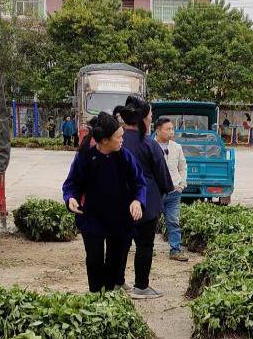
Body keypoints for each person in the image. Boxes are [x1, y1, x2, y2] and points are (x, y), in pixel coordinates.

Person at [62, 112, 147, 293]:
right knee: (94, 259)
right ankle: (94, 293)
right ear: (105, 141)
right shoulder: (85, 157)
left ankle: (108, 294)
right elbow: (72, 184)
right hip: (92, 217)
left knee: (115, 260)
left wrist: (137, 201)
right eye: (119, 137)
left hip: (120, 218)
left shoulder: (125, 157)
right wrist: (71, 198)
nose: (122, 140)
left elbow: (139, 183)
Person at [115, 96, 173, 298]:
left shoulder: (115, 142)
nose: (151, 120)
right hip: (146, 204)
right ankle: (141, 286)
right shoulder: (149, 144)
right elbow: (163, 177)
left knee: (120, 243)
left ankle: (117, 282)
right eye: (150, 117)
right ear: (142, 120)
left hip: (118, 202)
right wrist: (164, 192)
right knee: (145, 245)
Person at [154, 117, 189, 262]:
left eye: (172, 129)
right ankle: (148, 248)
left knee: (173, 221)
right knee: (150, 222)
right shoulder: (150, 145)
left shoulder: (177, 147)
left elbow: (182, 167)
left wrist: (182, 184)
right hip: (156, 192)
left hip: (174, 192)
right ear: (158, 130)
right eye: (168, 129)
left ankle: (175, 249)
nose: (171, 132)